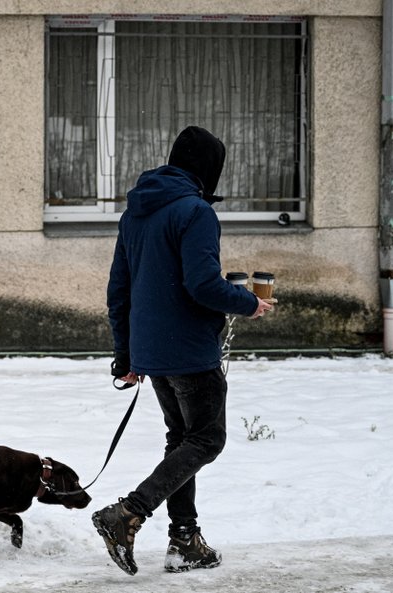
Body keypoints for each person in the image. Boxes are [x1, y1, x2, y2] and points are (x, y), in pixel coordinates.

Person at [92, 126, 273, 575]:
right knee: (207, 439)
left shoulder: (136, 212)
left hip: (153, 351)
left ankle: (184, 542)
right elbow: (203, 284)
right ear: (208, 169)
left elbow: (120, 291)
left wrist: (127, 354)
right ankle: (128, 513)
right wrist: (249, 303)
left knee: (181, 442)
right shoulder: (195, 212)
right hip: (191, 349)